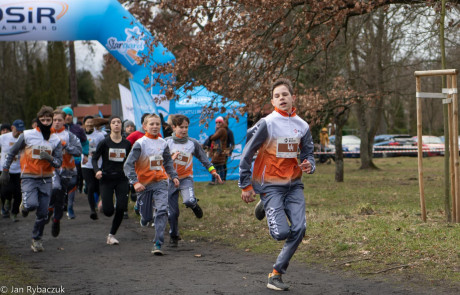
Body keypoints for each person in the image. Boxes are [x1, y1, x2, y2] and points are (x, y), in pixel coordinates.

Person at [239, 78, 315, 291]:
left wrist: (310, 164)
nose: (282, 98)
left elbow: (308, 152)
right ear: (272, 101)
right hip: (270, 184)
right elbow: (247, 152)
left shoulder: (302, 125)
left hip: (294, 184)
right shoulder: (268, 123)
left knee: (300, 228)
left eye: (285, 94)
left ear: (293, 97)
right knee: (280, 233)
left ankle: (276, 273)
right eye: (277, 96)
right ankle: (266, 202)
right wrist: (245, 185)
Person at [0, 105, 63, 252]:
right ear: (38, 120)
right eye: (43, 120)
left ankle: (37, 239)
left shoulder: (55, 140)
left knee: (43, 213)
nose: (46, 122)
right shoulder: (27, 135)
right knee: (31, 206)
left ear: (52, 120)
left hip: (46, 178)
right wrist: (5, 170)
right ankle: (24, 205)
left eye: (49, 120)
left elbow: (59, 162)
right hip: (29, 176)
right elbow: (12, 152)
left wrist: (50, 158)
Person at [124, 114, 179, 255]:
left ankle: (158, 243)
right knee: (147, 217)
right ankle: (140, 209)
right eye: (151, 124)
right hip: (143, 185)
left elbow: (167, 162)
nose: (155, 126)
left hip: (161, 182)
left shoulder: (163, 143)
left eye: (157, 124)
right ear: (144, 126)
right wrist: (135, 183)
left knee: (162, 210)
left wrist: (173, 176)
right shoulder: (140, 143)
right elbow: (128, 165)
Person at [165, 115, 223, 247]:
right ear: (173, 127)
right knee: (172, 213)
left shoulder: (192, 143)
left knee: (189, 200)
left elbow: (204, 159)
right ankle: (174, 235)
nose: (184, 130)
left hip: (186, 179)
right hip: (170, 180)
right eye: (181, 127)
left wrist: (214, 172)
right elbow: (159, 162)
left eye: (186, 127)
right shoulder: (166, 142)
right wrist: (171, 158)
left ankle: (195, 206)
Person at [92, 116, 131, 245]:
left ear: (121, 126)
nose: (116, 125)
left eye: (118, 122)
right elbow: (94, 158)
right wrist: (97, 170)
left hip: (122, 178)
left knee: (121, 207)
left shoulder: (127, 144)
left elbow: (130, 161)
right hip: (106, 178)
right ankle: (104, 201)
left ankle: (111, 235)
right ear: (110, 126)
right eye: (113, 123)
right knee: (108, 212)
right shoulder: (104, 142)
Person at [48, 110, 82, 237]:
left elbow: (78, 151)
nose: (56, 122)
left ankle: (56, 219)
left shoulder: (69, 135)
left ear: (64, 121)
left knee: (61, 199)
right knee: (55, 188)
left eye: (59, 120)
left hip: (67, 171)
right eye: (54, 120)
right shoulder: (45, 135)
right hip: (50, 170)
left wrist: (65, 146)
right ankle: (49, 209)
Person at [62, 107, 88, 218]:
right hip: (60, 162)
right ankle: (63, 203)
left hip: (75, 160)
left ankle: (70, 207)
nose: (68, 117)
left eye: (70, 114)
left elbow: (85, 142)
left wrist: (85, 154)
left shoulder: (78, 129)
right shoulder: (57, 129)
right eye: (66, 115)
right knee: (60, 185)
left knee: (72, 184)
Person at [0, 119, 25, 221]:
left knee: (18, 194)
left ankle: (14, 213)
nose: (19, 132)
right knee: (6, 190)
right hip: (5, 169)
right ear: (12, 128)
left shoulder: (24, 139)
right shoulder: (3, 138)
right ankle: (7, 201)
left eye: (21, 130)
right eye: (17, 130)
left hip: (18, 170)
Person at [81, 116, 105, 220]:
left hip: (98, 164)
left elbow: (104, 148)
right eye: (88, 122)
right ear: (84, 124)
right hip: (86, 164)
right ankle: (92, 210)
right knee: (90, 186)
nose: (90, 124)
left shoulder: (100, 135)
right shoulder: (81, 135)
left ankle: (98, 202)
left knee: (98, 187)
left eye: (91, 122)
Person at [207, 116, 228, 185]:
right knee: (220, 166)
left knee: (215, 166)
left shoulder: (221, 130)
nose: (218, 124)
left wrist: (211, 137)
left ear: (222, 123)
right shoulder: (223, 129)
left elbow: (214, 137)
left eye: (219, 122)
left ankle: (214, 181)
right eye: (216, 122)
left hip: (219, 151)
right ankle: (220, 180)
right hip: (220, 151)